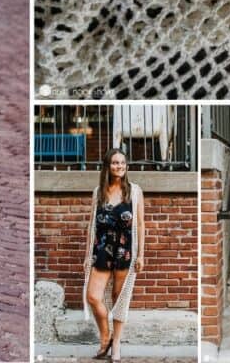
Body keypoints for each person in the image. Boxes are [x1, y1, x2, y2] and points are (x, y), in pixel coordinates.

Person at [84, 148, 144, 362]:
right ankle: (105, 335)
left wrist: (141, 255)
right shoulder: (98, 192)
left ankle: (116, 344)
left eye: (122, 163)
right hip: (101, 250)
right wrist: (86, 254)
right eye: (115, 163)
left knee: (119, 300)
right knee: (93, 296)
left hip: (124, 250)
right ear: (107, 166)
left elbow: (140, 225)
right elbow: (92, 226)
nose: (119, 166)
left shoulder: (135, 192)